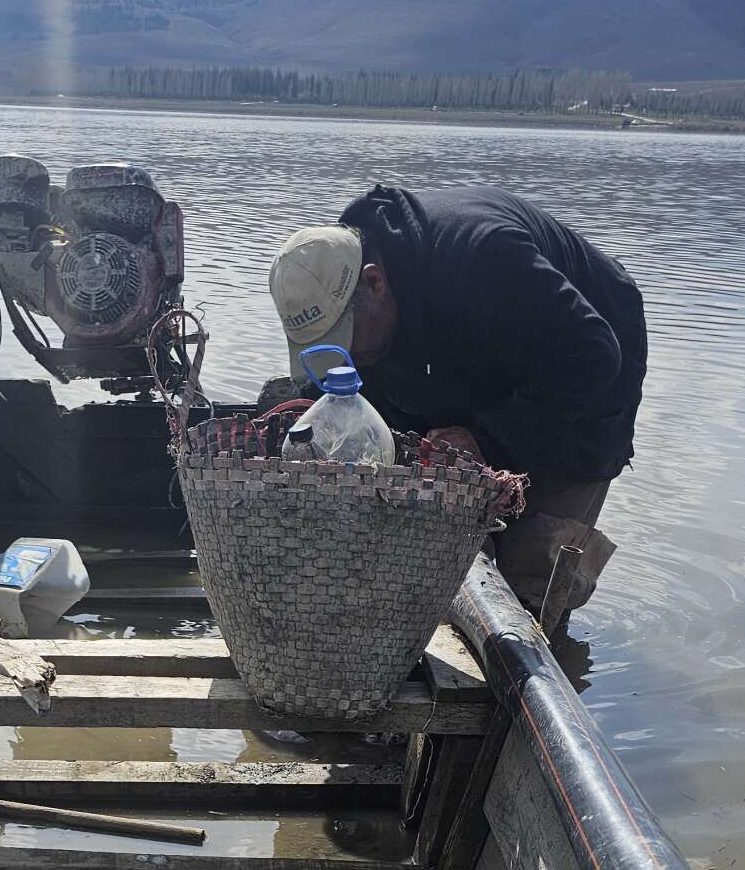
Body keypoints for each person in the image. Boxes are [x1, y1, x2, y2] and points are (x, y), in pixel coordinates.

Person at [266, 183, 647, 620]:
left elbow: (593, 356)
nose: (344, 355)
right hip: (471, 355)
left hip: (586, 362)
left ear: (374, 281)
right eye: (325, 346)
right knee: (434, 532)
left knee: (531, 570)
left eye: (344, 337)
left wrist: (487, 440)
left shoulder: (484, 257)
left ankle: (534, 631)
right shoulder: (333, 275)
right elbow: (336, 387)